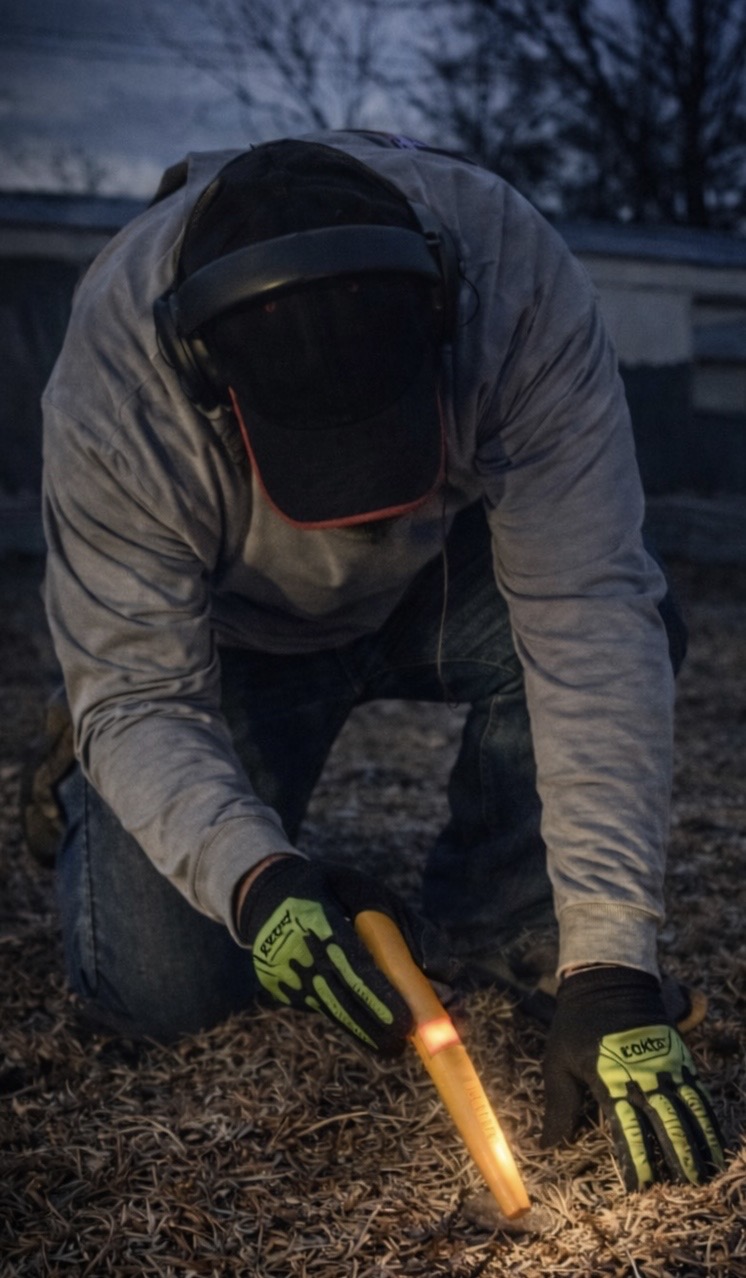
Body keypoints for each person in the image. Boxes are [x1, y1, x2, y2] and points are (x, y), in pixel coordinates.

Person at [40, 130, 725, 1191]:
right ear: (204, 372)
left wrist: (609, 962)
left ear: (440, 308)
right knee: (161, 989)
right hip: (228, 641)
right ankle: (80, 750)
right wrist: (257, 878)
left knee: (636, 617)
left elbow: (586, 608)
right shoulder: (117, 379)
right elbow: (142, 688)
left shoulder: (510, 277)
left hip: (438, 587)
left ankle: (503, 910)